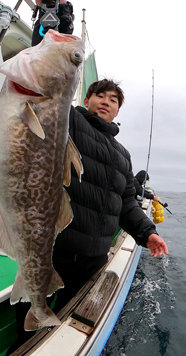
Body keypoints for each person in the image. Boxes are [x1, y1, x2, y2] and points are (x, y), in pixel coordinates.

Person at [51, 79, 168, 311]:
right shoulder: (70, 121)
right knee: (31, 315)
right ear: (86, 101)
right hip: (56, 247)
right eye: (100, 96)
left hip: (95, 256)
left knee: (71, 311)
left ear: (117, 110)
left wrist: (147, 233)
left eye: (113, 100)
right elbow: (50, 96)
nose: (106, 102)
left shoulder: (122, 155)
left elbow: (126, 202)